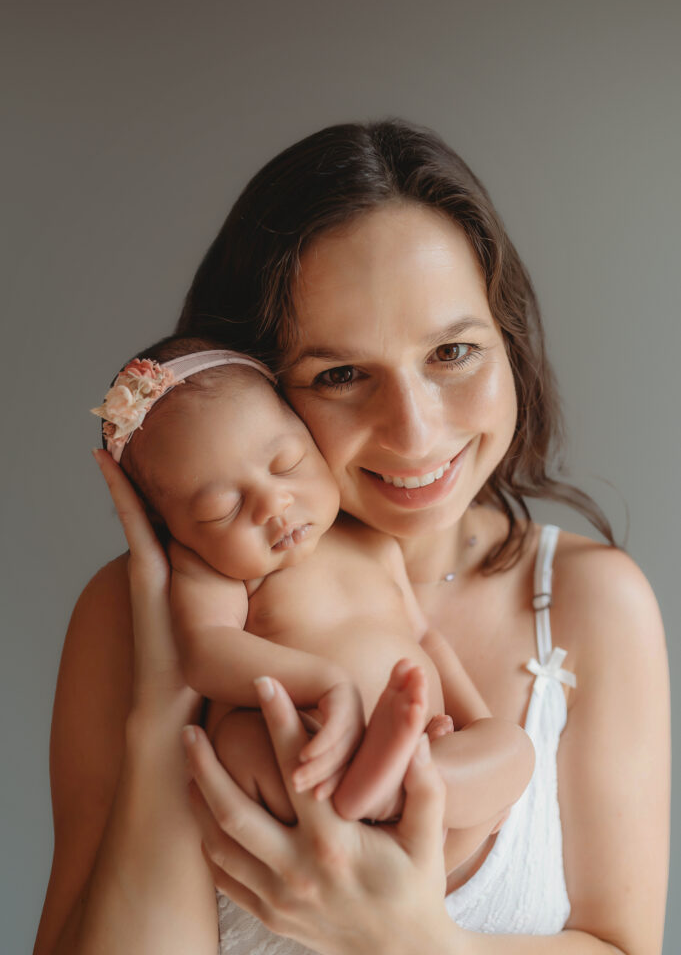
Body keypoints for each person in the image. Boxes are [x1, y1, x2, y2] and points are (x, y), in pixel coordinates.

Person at [34, 119, 670, 955]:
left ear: (506, 342)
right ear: (252, 384)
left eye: (452, 351)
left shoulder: (591, 603)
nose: (412, 431)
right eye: (339, 375)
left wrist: (409, 939)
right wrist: (164, 718)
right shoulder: (135, 615)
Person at [90, 335, 533, 841]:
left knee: (514, 748)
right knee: (238, 742)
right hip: (307, 749)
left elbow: (424, 637)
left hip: (425, 745)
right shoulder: (214, 569)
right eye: (222, 510)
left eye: (287, 465)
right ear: (173, 530)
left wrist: (478, 722)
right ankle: (364, 786)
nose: (273, 505)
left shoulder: (370, 538)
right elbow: (206, 651)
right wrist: (322, 684)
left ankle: (399, 787)